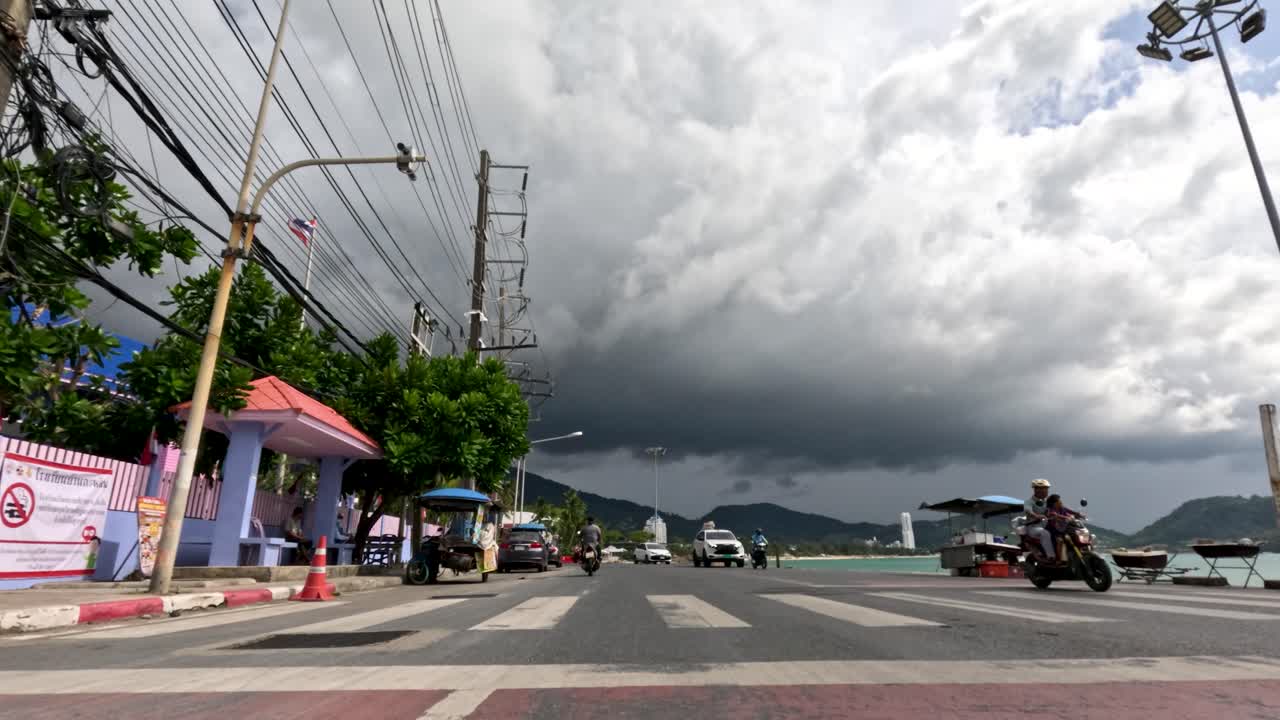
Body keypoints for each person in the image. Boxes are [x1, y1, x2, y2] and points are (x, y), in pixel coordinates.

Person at [1022, 478, 1055, 562]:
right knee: (1045, 533)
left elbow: (1058, 508)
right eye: (1043, 489)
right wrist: (1036, 515)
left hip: (1047, 525)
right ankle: (1051, 557)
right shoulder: (1029, 502)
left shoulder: (1047, 502)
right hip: (1033, 527)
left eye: (1046, 489)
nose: (1046, 491)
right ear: (1036, 490)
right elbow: (1028, 510)